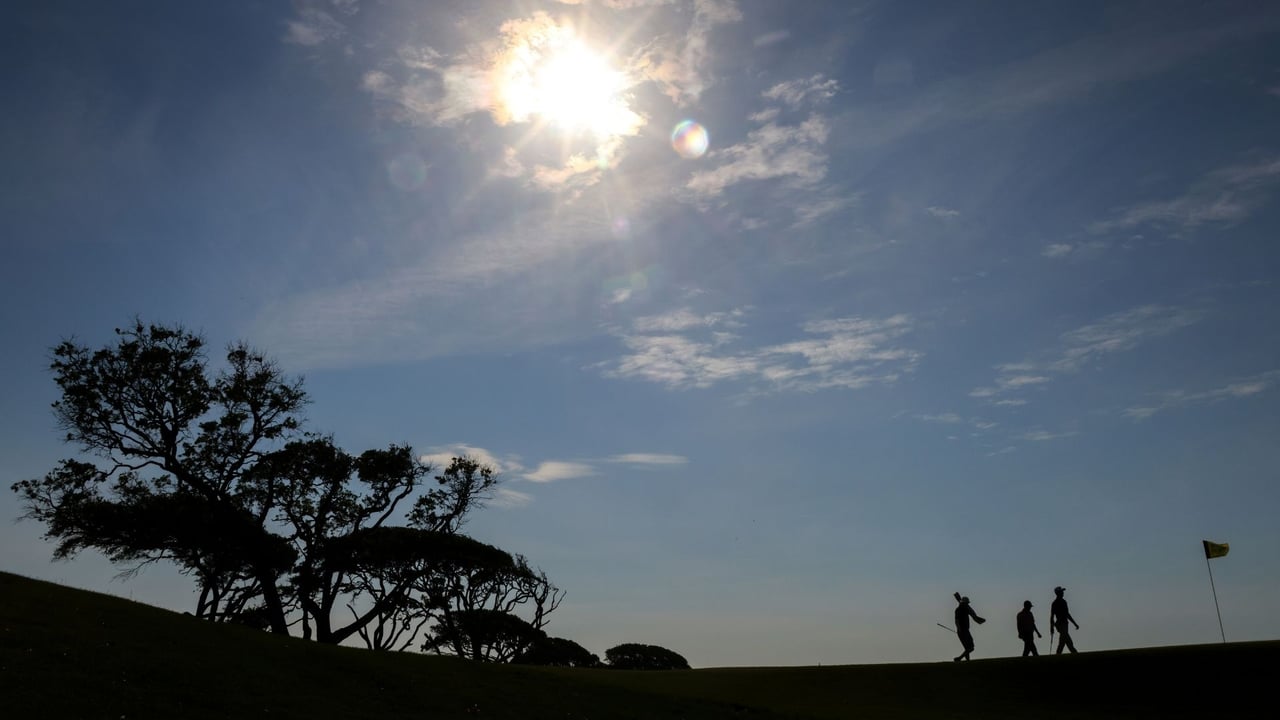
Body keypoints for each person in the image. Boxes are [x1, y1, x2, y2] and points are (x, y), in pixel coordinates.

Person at [952, 592, 985, 661]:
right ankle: (959, 658)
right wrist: (959, 629)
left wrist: (959, 630)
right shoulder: (960, 610)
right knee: (971, 648)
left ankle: (967, 661)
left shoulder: (962, 609)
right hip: (963, 630)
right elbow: (957, 621)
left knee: (967, 648)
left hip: (963, 630)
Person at [1049, 586, 1079, 654]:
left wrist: (1074, 623)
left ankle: (1059, 654)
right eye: (1061, 592)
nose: (1063, 593)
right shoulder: (1055, 603)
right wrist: (1051, 627)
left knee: (1063, 641)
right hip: (1060, 624)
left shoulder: (1063, 602)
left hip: (1064, 624)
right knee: (1068, 640)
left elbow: (1067, 614)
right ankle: (1074, 652)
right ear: (1058, 593)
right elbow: (1052, 616)